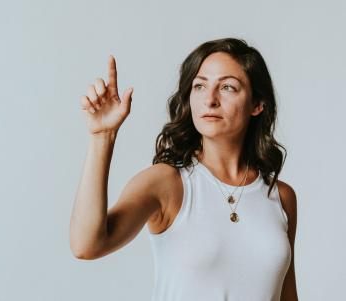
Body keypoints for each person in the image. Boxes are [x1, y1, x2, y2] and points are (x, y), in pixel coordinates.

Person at [69, 37, 298, 301]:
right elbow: (86, 245)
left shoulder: (281, 197)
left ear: (258, 104)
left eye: (227, 87)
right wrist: (102, 136)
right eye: (200, 85)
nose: (210, 99)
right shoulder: (166, 182)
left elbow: (287, 296)